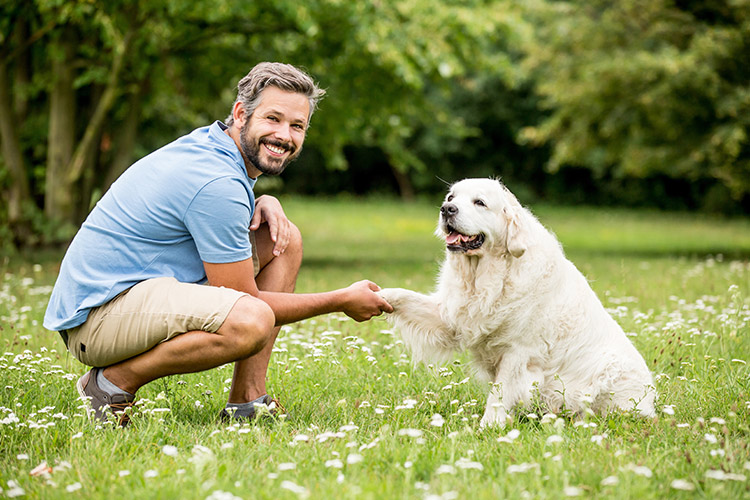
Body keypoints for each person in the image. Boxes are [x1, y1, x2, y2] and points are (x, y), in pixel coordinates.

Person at [43, 62, 393, 426]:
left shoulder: (215, 147)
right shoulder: (217, 182)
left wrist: (263, 201)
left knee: (282, 240)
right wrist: (340, 300)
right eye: (272, 119)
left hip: (128, 294)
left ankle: (247, 401)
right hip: (97, 319)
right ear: (241, 114)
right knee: (250, 320)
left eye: (297, 126)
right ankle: (110, 385)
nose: (284, 135)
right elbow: (246, 300)